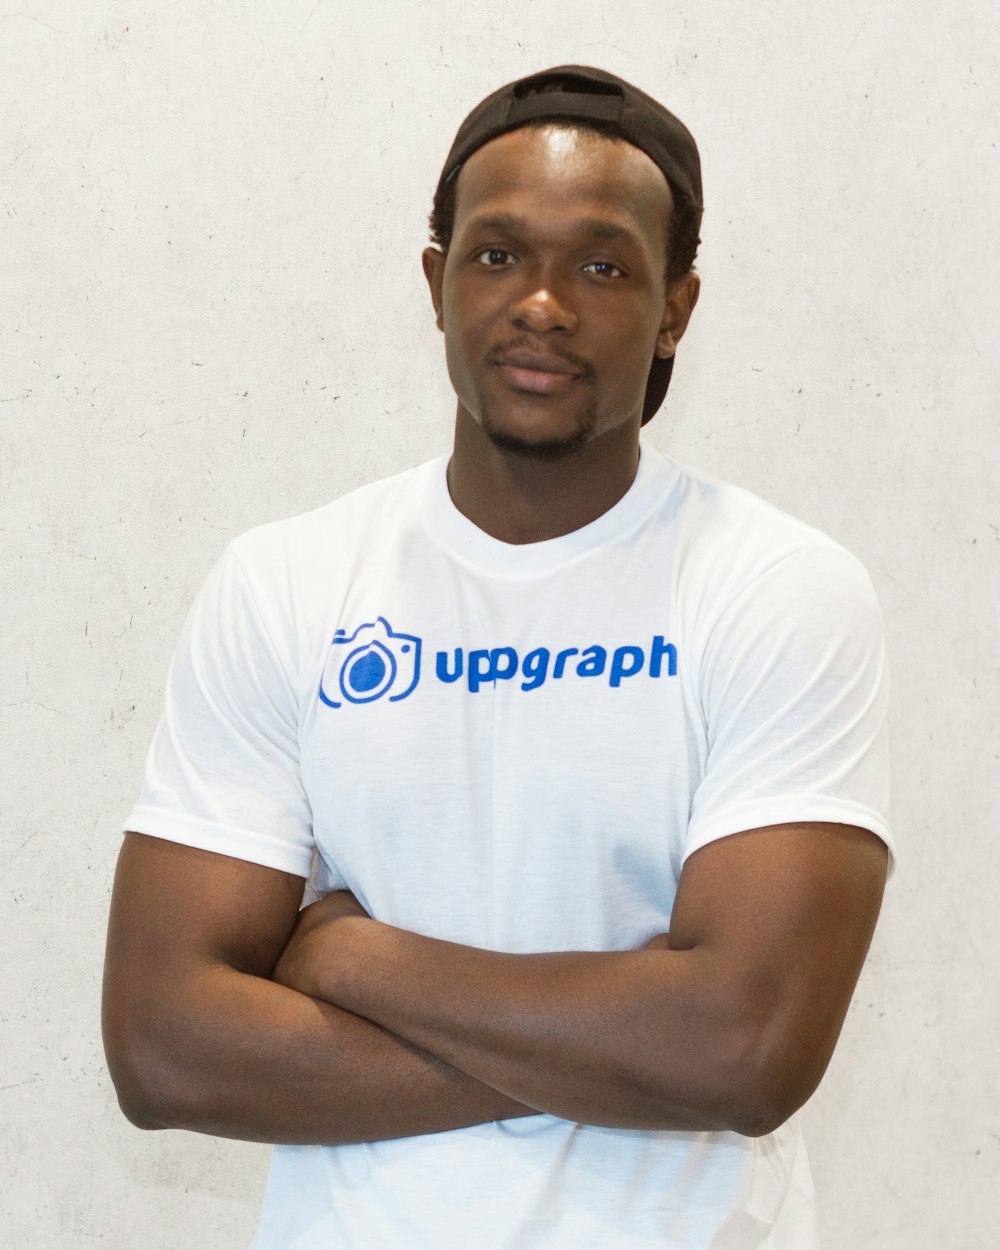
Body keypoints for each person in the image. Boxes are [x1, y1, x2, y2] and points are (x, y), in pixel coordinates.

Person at [102, 65, 893, 1250]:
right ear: (435, 282)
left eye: (603, 264)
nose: (542, 303)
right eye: (497, 254)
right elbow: (164, 1045)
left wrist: (349, 953)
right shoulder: (289, 581)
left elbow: (743, 1045)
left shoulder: (773, 587)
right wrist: (627, 1046)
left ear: (676, 307)